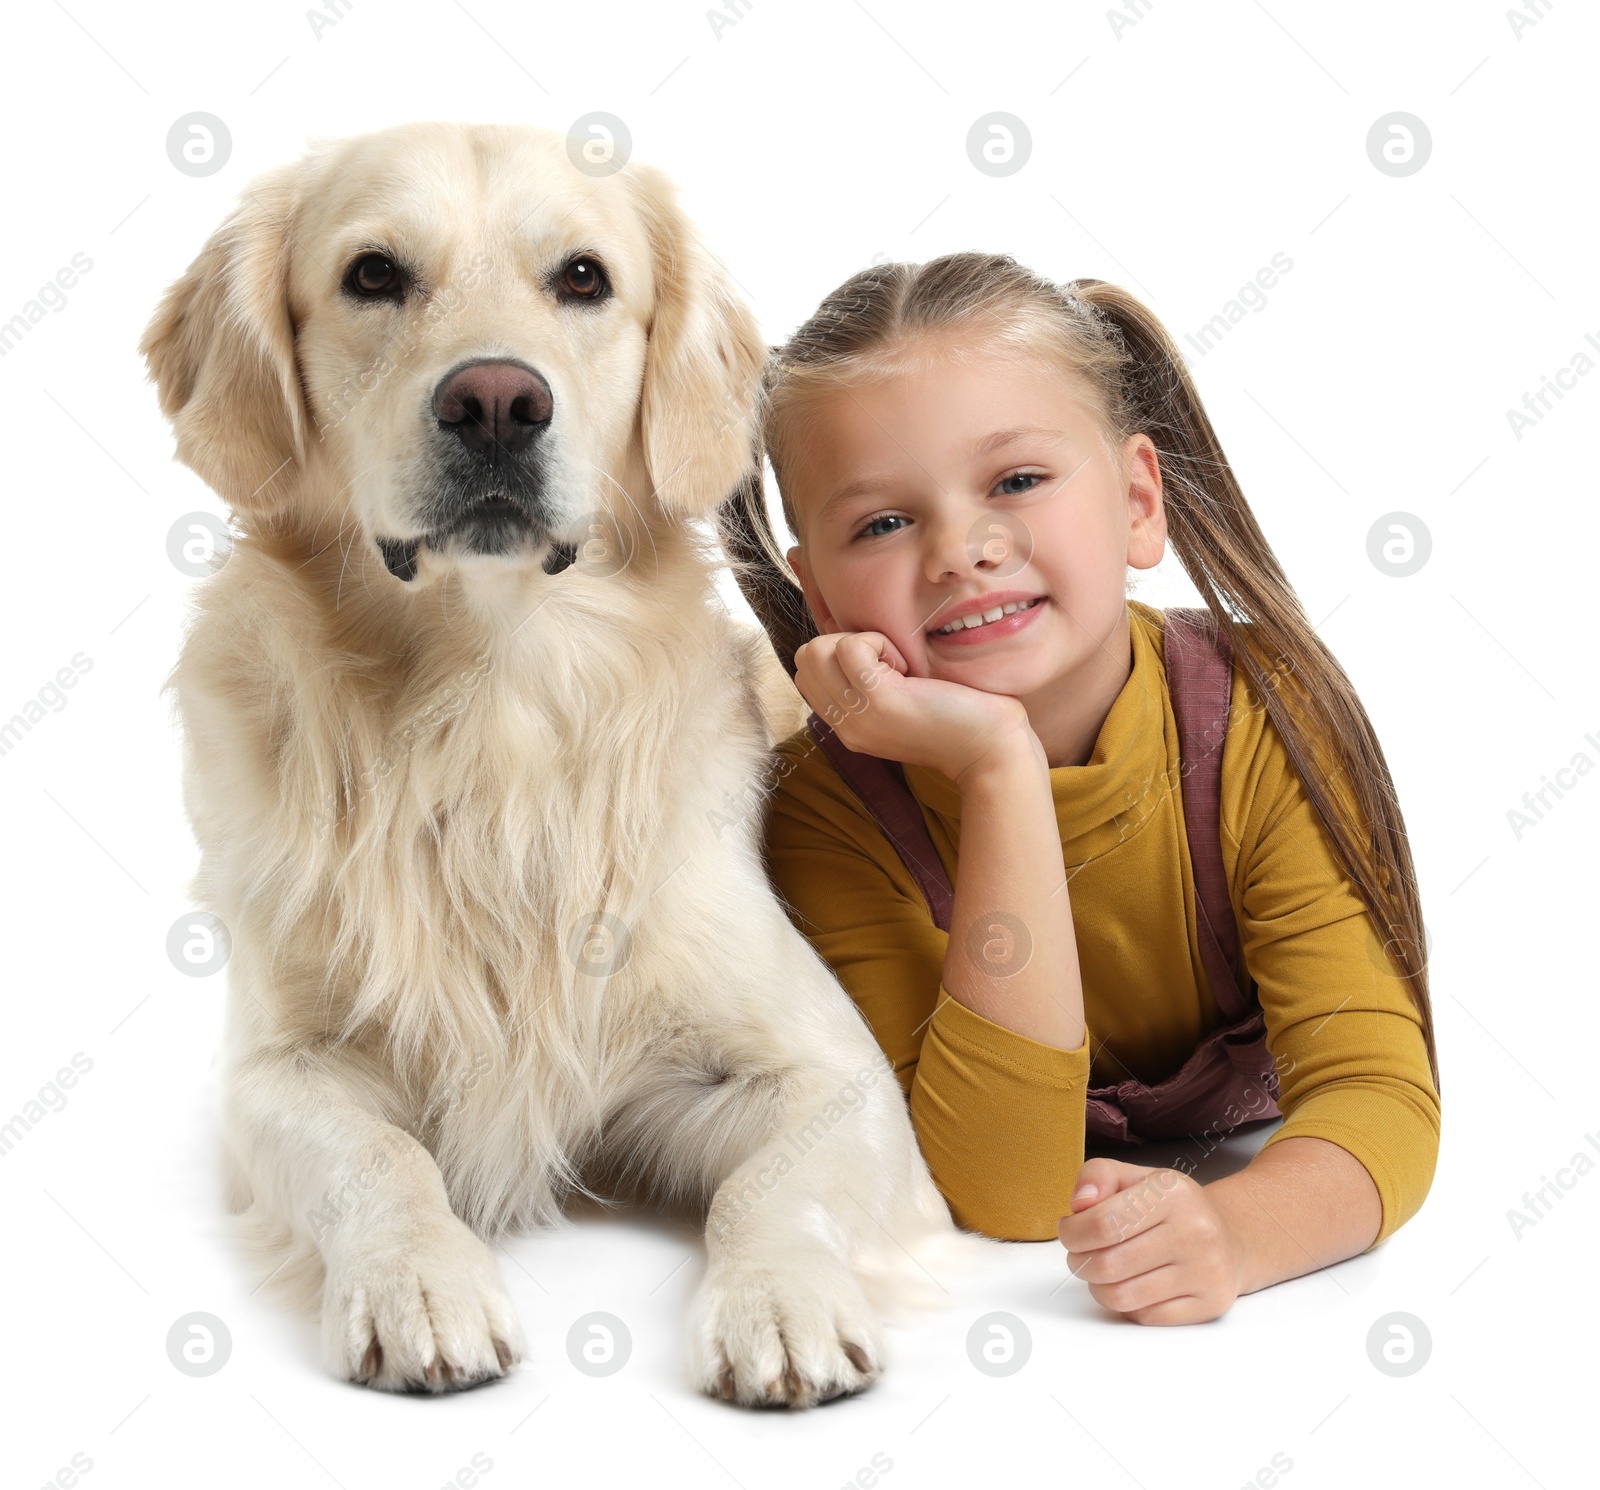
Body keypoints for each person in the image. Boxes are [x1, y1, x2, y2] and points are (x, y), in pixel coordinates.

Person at [718, 252, 1441, 1325]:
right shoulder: (826, 812)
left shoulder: (1262, 718)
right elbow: (1001, 1189)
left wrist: (1237, 1232)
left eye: (1015, 480)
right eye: (882, 522)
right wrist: (997, 763)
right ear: (815, 590)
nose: (962, 550)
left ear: (1138, 500)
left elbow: (1379, 1093)